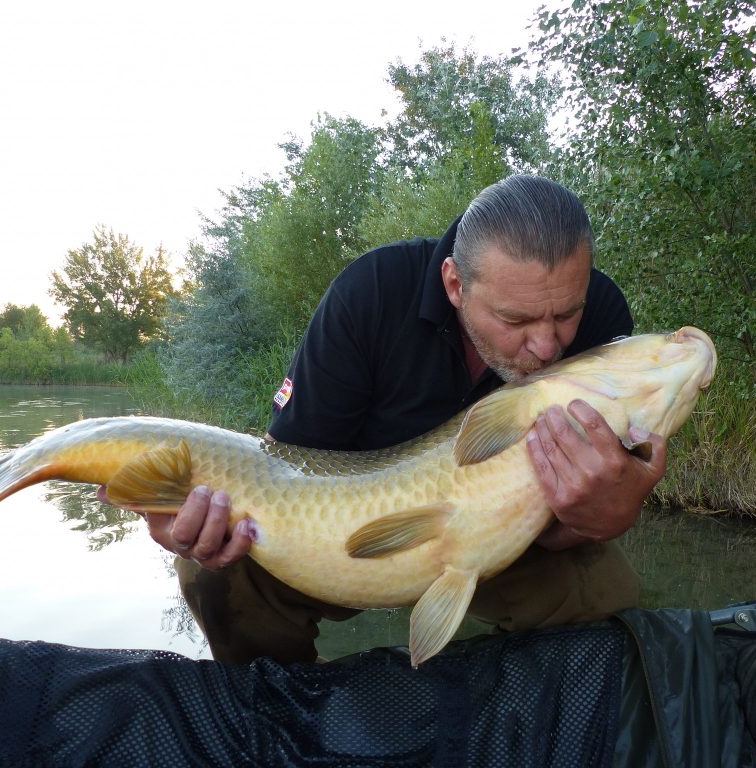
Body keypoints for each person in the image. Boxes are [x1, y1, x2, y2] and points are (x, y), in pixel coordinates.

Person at [107, 174, 667, 665]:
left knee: (607, 599)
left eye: (565, 314)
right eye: (514, 318)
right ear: (455, 284)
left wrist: (605, 515)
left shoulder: (602, 318)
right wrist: (188, 524)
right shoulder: (370, 294)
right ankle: (284, 721)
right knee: (217, 573)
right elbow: (285, 472)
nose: (547, 346)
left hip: (508, 539)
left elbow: (593, 493)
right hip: (347, 537)